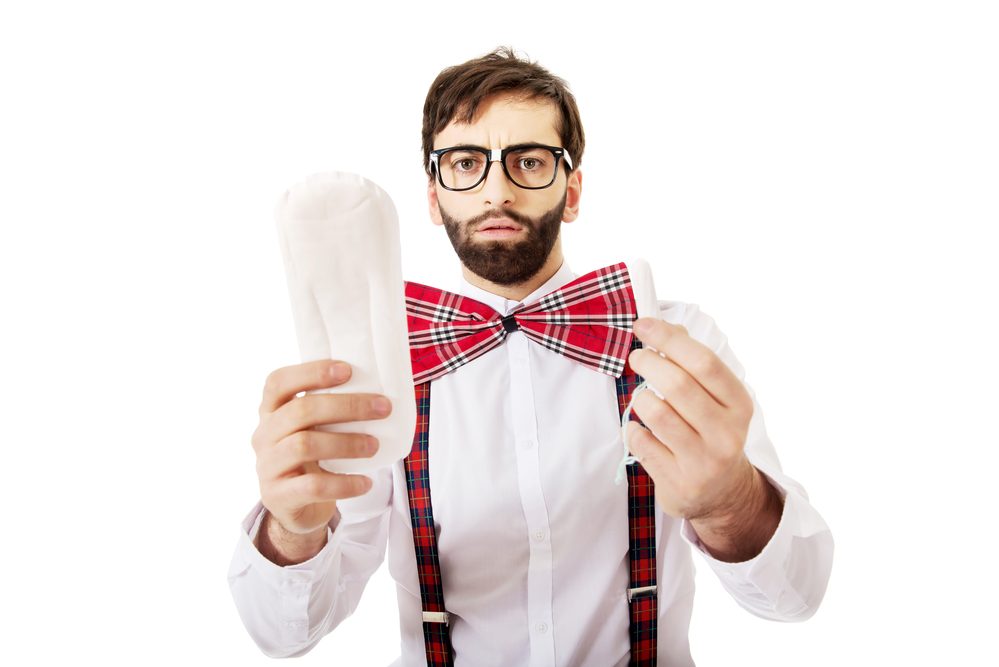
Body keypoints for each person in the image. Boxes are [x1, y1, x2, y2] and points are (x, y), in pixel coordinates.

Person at [228, 47, 834, 666]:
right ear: (434, 198)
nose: (497, 190)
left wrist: (730, 500)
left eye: (528, 161)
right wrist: (294, 530)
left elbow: (795, 595)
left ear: (571, 191)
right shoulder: (382, 369)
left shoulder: (675, 343)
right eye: (465, 163)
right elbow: (286, 634)